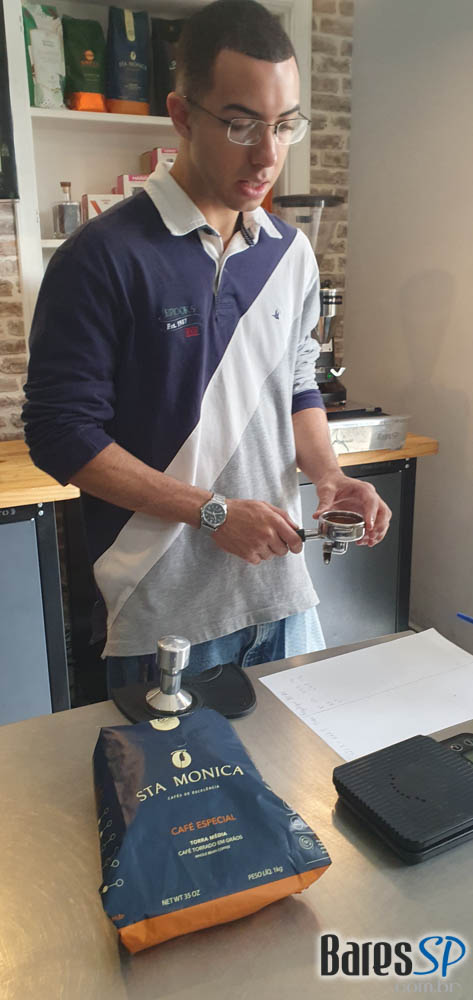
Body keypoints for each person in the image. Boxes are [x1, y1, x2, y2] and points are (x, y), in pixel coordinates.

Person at [23, 0, 391, 692]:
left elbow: (296, 382)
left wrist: (329, 475)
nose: (267, 154)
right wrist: (212, 512)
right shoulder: (102, 257)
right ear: (182, 115)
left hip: (282, 595)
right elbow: (60, 434)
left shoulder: (290, 252)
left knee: (299, 763)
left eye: (284, 125)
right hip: (163, 616)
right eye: (240, 123)